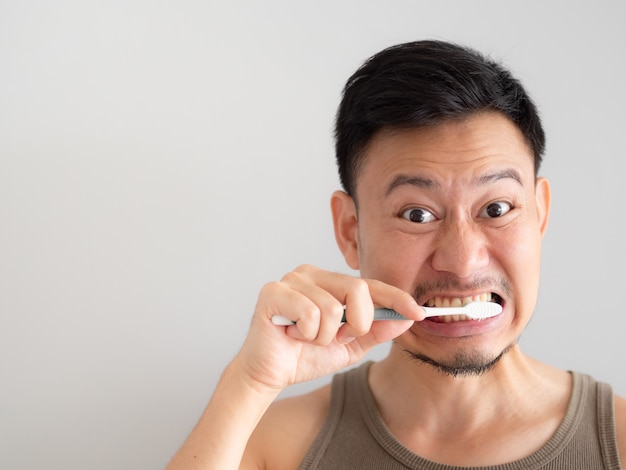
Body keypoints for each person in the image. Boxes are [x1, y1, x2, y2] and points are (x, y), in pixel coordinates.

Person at [166, 40, 626, 469]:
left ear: (540, 215)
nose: (463, 261)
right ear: (350, 231)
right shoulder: (274, 446)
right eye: (417, 214)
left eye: (496, 209)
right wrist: (249, 383)